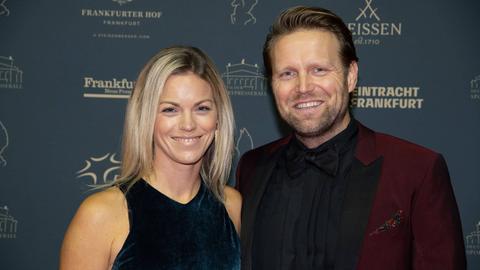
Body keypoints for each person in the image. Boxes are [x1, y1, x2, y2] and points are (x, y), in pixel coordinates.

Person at [236, 6, 466, 270]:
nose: (303, 87)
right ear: (272, 84)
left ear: (351, 76)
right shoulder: (252, 168)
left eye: (319, 70)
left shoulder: (416, 170)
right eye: (287, 73)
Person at [60, 46, 241, 270]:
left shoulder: (232, 206)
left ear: (218, 119)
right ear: (147, 118)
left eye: (202, 108)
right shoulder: (101, 214)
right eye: (170, 110)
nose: (188, 125)